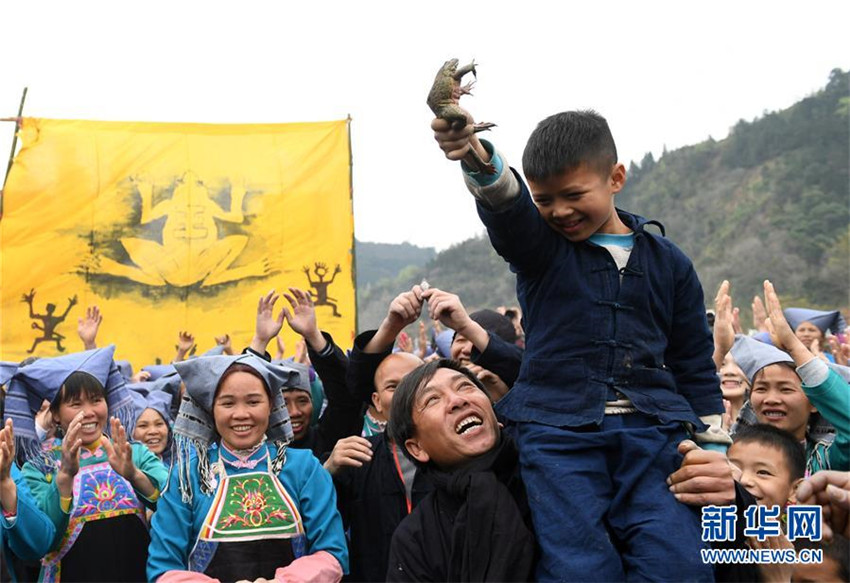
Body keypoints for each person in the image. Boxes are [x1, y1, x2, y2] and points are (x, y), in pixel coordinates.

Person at [431, 105, 725, 579]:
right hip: (557, 439)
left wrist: (715, 451)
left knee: (680, 564)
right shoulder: (541, 251)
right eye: (545, 199)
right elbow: (509, 212)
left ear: (616, 177)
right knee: (579, 568)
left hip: (655, 438)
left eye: (573, 194)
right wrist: (476, 156)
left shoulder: (671, 264)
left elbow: (692, 360)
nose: (560, 212)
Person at [147, 353, 348, 582]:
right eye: (227, 403)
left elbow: (333, 554)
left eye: (253, 401)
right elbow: (163, 569)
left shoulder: (304, 468)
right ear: (211, 408)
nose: (241, 414)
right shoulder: (187, 477)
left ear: (271, 405)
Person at [9, 346, 167, 582]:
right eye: (76, 404)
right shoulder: (40, 466)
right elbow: (40, 541)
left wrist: (134, 474)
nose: (89, 412)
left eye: (96, 400)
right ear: (55, 414)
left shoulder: (133, 453)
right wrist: (64, 478)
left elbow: (173, 504)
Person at [386, 359, 536, 582]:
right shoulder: (416, 539)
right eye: (432, 399)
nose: (457, 401)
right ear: (417, 448)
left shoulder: (546, 477)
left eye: (464, 386)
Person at [728, 281, 850, 473]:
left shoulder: (826, 462)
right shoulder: (729, 460)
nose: (771, 399)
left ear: (814, 403)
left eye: (786, 389)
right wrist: (719, 353)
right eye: (761, 388)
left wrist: (794, 345)